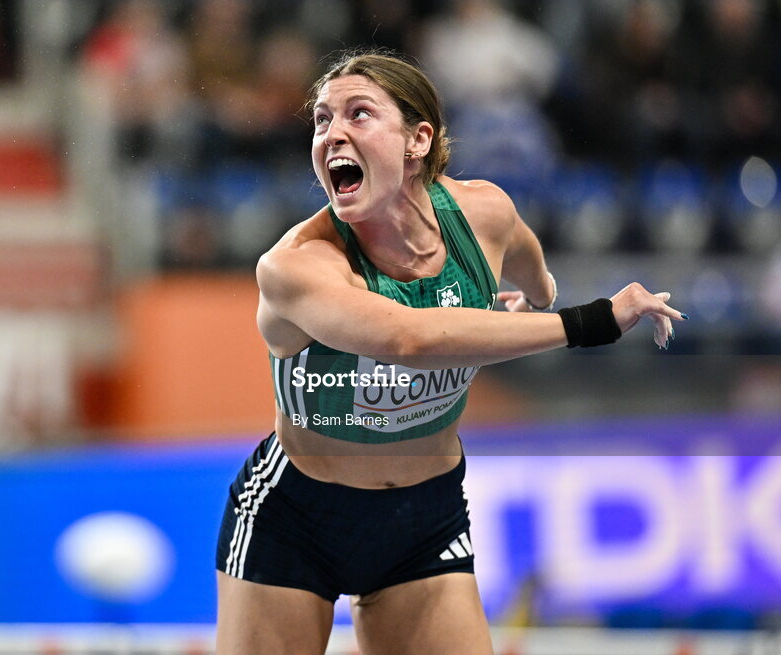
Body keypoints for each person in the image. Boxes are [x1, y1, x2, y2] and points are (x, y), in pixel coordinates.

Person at [215, 50, 685, 655]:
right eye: (322, 120)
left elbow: (530, 264)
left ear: (418, 139)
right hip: (297, 517)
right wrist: (591, 320)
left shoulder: (483, 213)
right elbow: (407, 339)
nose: (333, 133)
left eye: (359, 114)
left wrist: (533, 298)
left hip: (425, 517)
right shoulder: (296, 266)